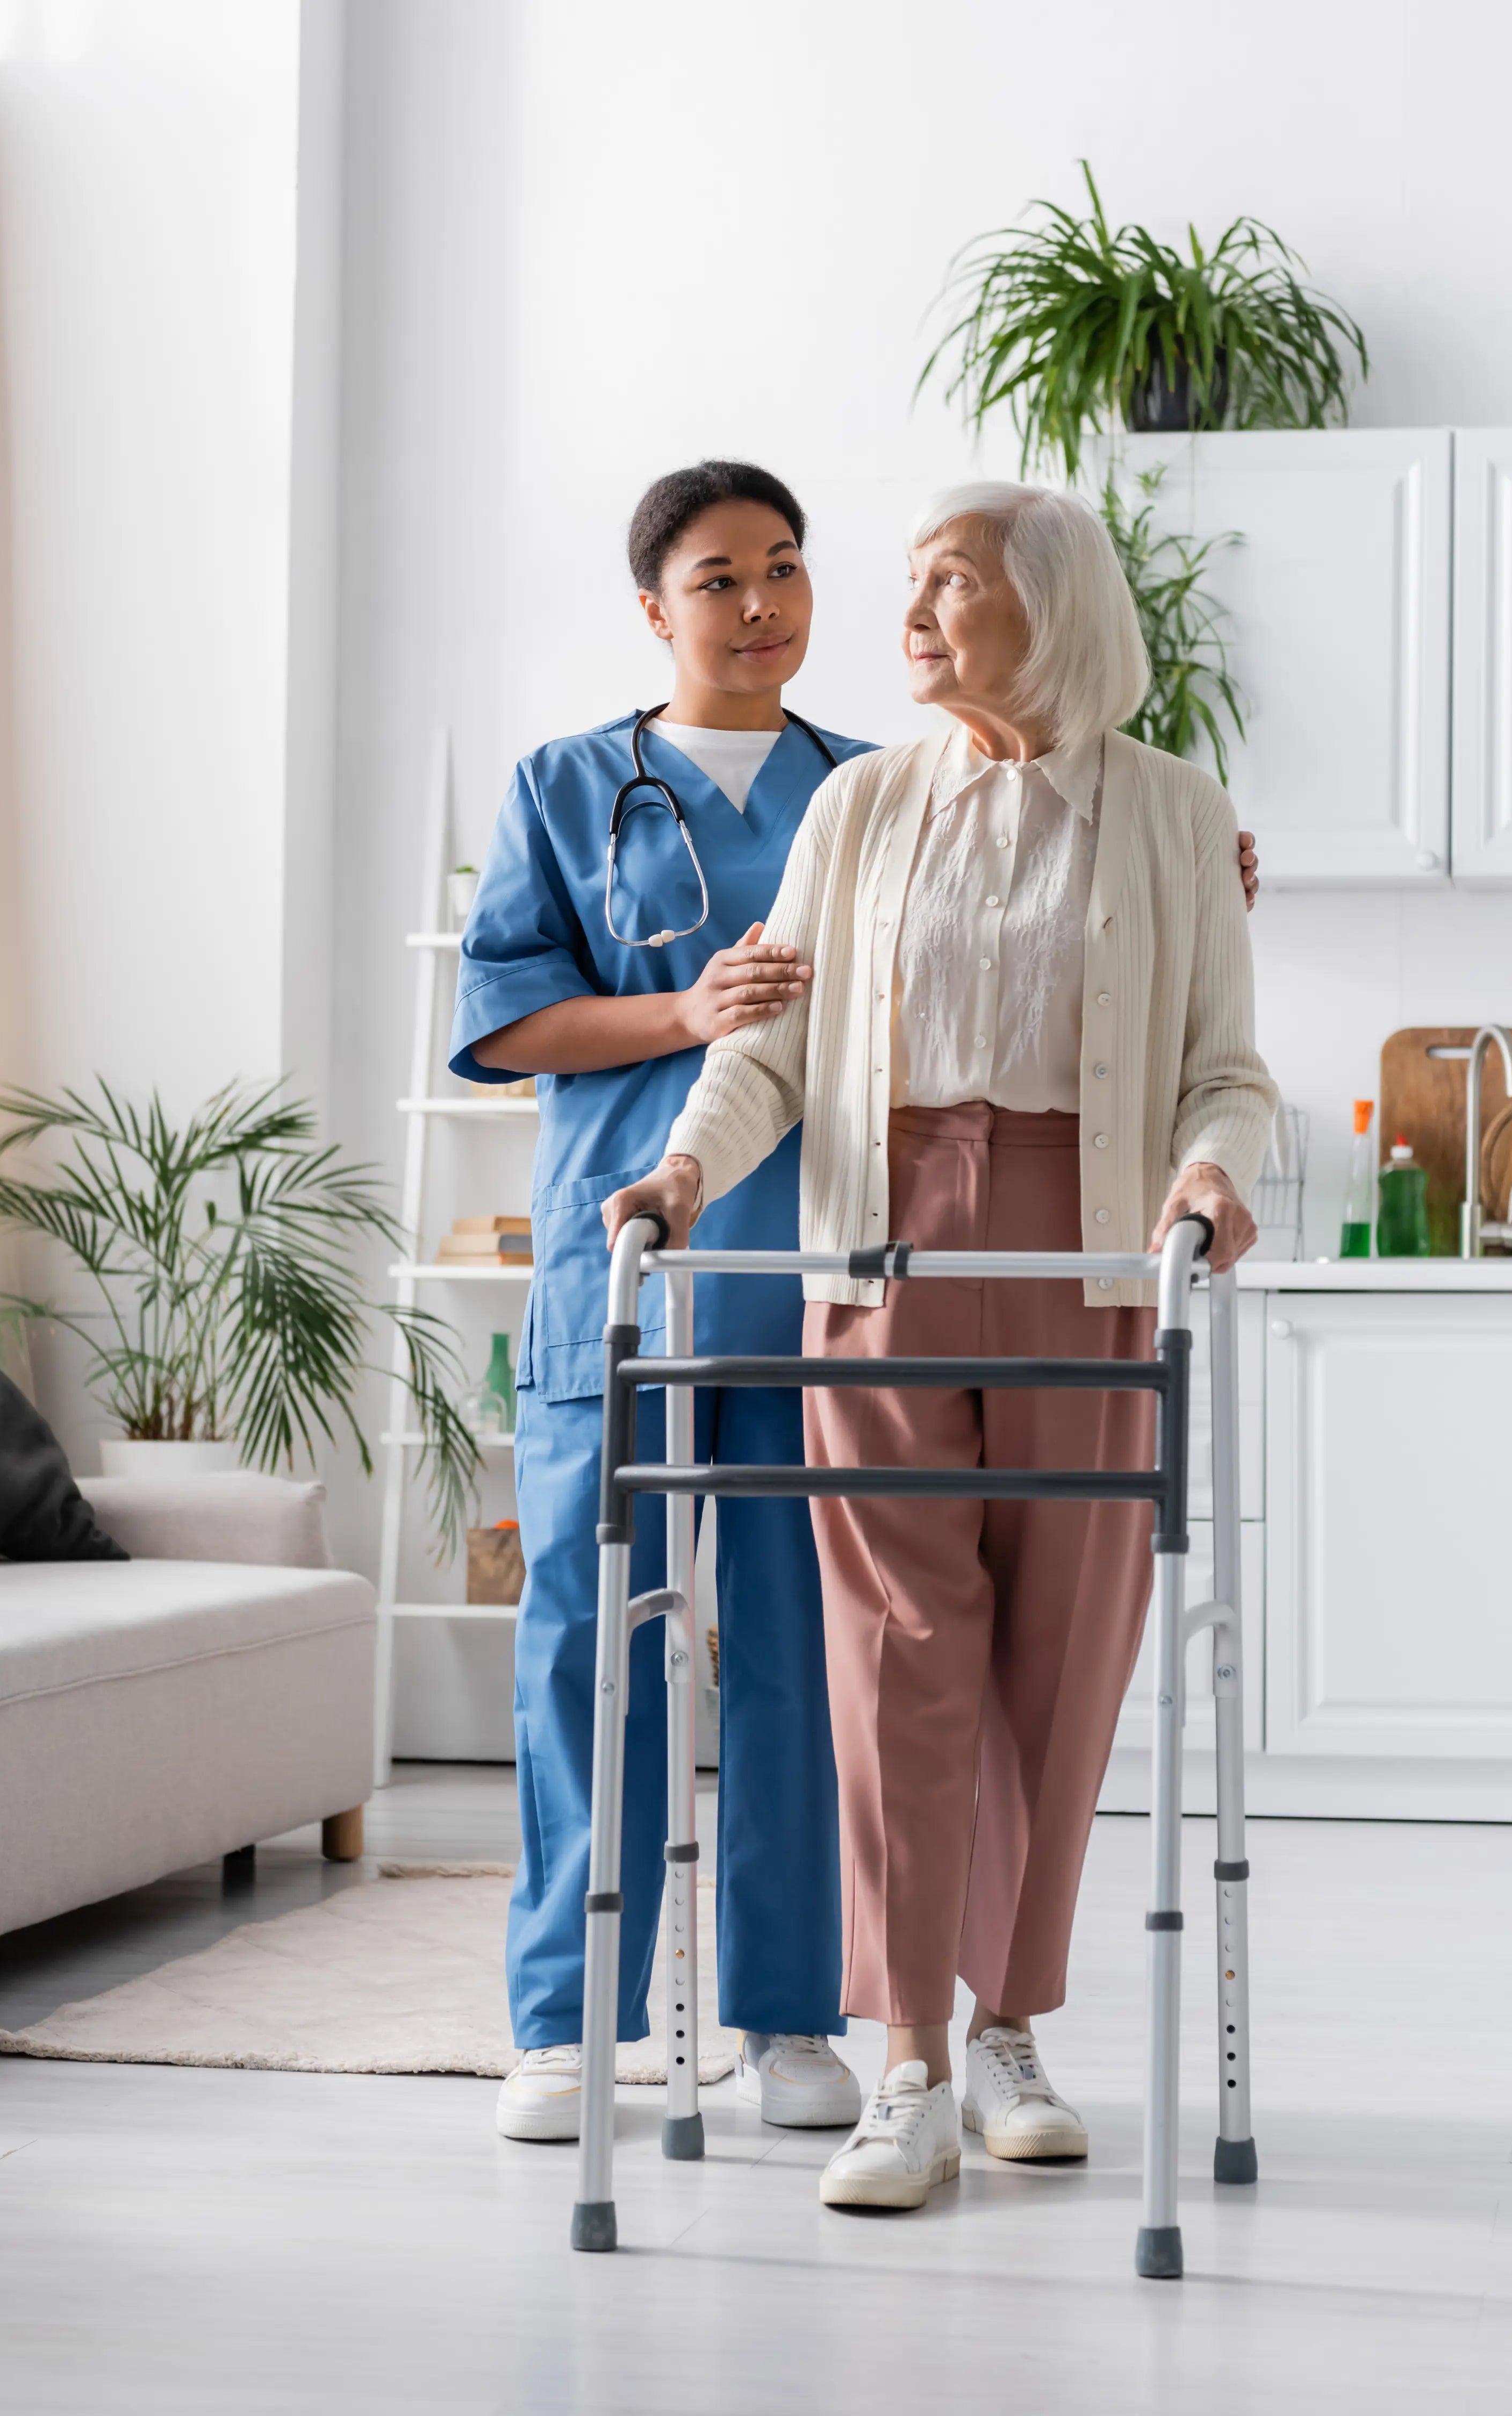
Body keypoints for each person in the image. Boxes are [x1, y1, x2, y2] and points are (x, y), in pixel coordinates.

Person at [604, 481, 1277, 2213]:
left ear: (1043, 607)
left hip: (1087, 1244)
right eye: (904, 585)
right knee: (898, 1641)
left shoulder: (1176, 814)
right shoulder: (860, 803)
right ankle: (904, 2056)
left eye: (948, 587)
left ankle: (1011, 2029)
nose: (904, 615)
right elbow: (776, 1046)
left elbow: (1225, 1063)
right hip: (885, 1240)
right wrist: (682, 1166)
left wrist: (1212, 1169)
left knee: (1064, 1652)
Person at [452, 462, 873, 2141]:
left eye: (784, 569)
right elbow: (508, 1023)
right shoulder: (566, 785)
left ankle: (787, 2016)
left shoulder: (875, 788)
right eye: (718, 578)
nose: (759, 604)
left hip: (813, 1273)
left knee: (797, 1655)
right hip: (617, 1270)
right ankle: (567, 2026)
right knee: (580, 1651)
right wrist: (685, 1014)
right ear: (654, 607)